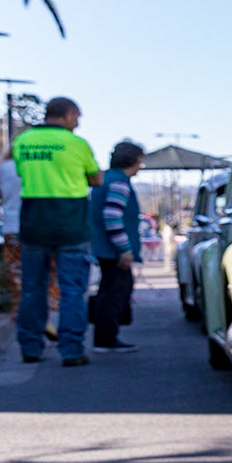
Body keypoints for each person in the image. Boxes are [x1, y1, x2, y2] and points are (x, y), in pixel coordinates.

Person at [12, 97, 102, 366]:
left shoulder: (23, 141)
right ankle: (71, 349)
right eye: (78, 117)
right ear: (69, 114)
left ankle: (30, 347)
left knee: (32, 289)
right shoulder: (77, 144)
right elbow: (96, 178)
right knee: (73, 290)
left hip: (34, 223)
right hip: (71, 224)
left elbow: (21, 173)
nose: (78, 123)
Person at [88, 140, 145, 354]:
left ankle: (105, 337)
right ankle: (106, 339)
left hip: (102, 247)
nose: (142, 165)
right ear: (133, 160)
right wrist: (124, 249)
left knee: (108, 291)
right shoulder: (120, 182)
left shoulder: (105, 179)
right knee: (115, 293)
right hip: (113, 250)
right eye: (141, 160)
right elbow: (112, 216)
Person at [0, 151, 21, 295]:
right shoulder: (33, 166)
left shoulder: (4, 167)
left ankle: (18, 312)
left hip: (10, 227)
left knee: (16, 276)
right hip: (35, 226)